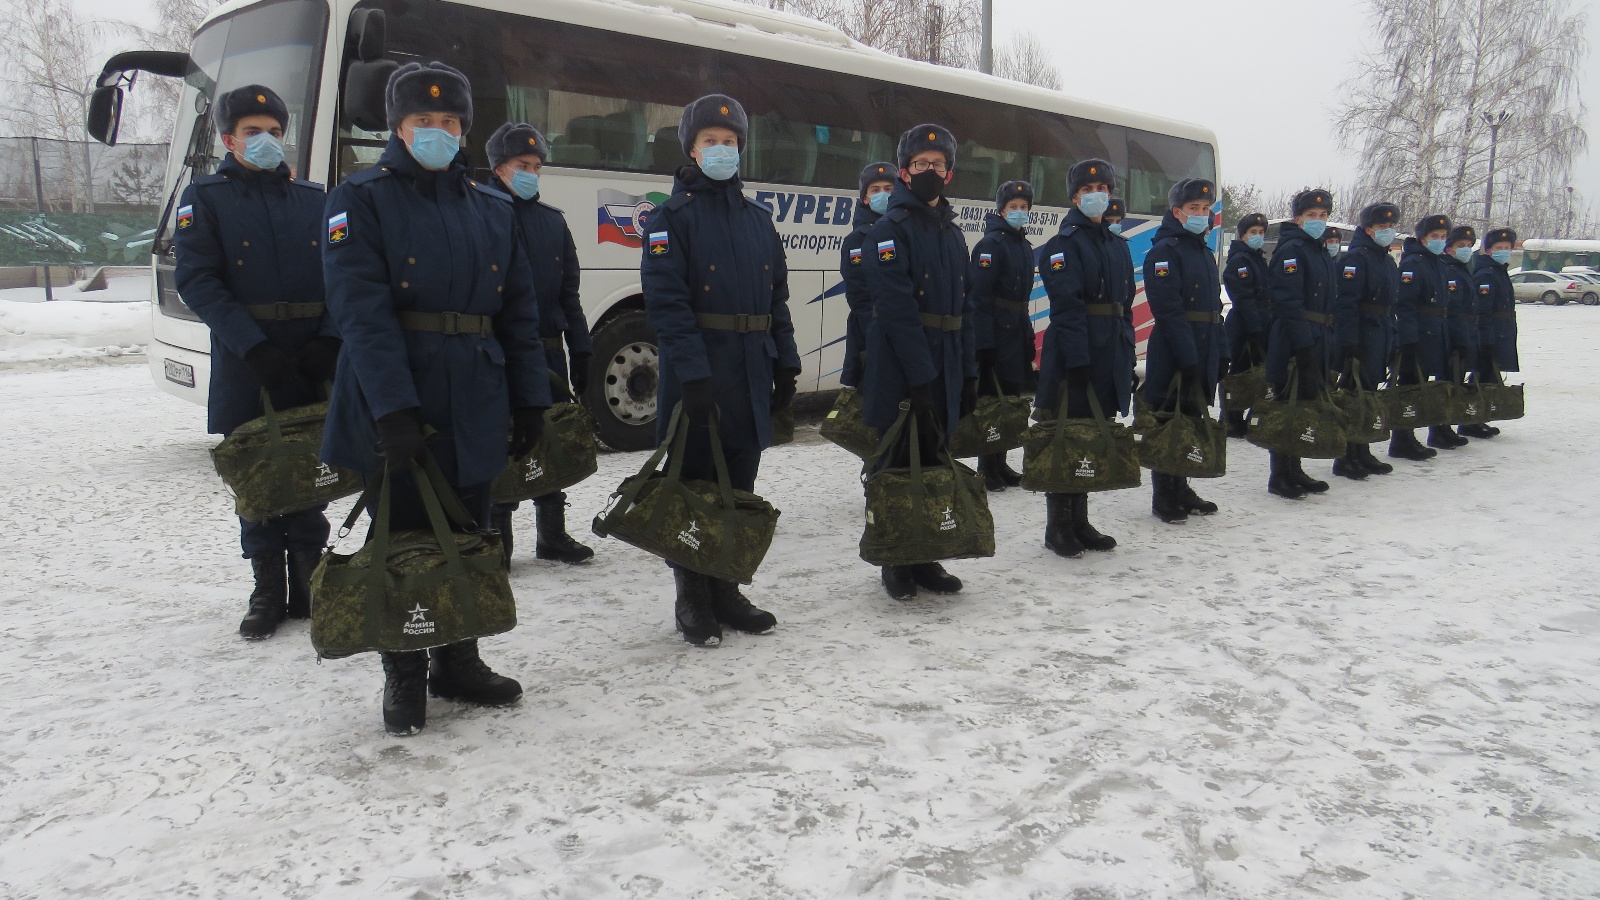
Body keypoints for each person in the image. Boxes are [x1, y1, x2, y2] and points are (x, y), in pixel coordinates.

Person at [321, 62, 551, 735]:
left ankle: (459, 659)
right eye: (424, 120)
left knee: (471, 529)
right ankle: (403, 670)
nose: (438, 132)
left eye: (450, 121)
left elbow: (519, 311)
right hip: (400, 392)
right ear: (398, 126)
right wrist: (392, 409)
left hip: (476, 390)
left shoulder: (493, 207)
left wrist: (530, 400)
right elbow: (361, 312)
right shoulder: (359, 199)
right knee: (402, 535)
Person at [174, 85, 339, 641]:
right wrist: (254, 348)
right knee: (260, 477)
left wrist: (330, 339)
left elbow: (346, 275)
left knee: (312, 467)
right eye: (252, 132)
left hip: (310, 358)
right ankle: (267, 586)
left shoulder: (315, 200)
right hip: (249, 361)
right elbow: (199, 281)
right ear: (229, 140)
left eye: (273, 131)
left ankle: (309, 578)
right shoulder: (206, 197)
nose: (265, 140)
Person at [640, 93, 800, 646]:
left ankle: (727, 586)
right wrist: (692, 374)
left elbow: (777, 298)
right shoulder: (670, 218)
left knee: (738, 484)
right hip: (701, 375)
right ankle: (691, 595)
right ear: (691, 148)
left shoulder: (759, 221)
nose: (722, 149)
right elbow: (667, 304)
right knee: (692, 486)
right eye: (711, 140)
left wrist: (787, 365)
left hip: (751, 370)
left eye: (730, 142)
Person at [862, 124, 975, 600]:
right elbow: (896, 308)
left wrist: (968, 373)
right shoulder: (890, 230)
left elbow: (966, 309)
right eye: (920, 163)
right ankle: (895, 561)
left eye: (938, 163)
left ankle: (925, 556)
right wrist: (921, 377)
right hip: (902, 368)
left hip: (946, 363)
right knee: (897, 464)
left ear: (949, 173)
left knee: (933, 461)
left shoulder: (953, 233)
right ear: (904, 172)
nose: (930, 170)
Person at [484, 122, 595, 564]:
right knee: (504, 442)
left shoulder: (552, 221)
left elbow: (569, 293)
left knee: (551, 438)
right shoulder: (483, 214)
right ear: (499, 168)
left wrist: (582, 349)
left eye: (536, 166)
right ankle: (498, 536)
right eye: (522, 165)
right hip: (501, 353)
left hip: (549, 352)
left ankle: (552, 534)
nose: (531, 173)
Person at [1034, 158, 1134, 555]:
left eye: (1103, 189)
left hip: (1110, 353)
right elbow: (1067, 306)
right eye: (1088, 190)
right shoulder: (1063, 245)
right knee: (1067, 434)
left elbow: (1125, 307)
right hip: (1075, 354)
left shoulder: (1117, 245)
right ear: (1075, 197)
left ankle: (1080, 520)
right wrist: (1076, 361)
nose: (1097, 195)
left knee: (1091, 434)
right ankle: (1058, 525)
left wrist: (1126, 355)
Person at [1143, 177, 1228, 521]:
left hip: (1205, 347)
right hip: (1176, 351)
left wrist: (1222, 349)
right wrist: (1188, 358)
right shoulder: (1165, 251)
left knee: (1192, 417)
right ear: (1177, 212)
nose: (1201, 214)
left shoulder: (1203, 251)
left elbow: (1215, 308)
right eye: (1194, 207)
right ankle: (1164, 494)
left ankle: (1182, 487)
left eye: (1206, 208)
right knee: (1170, 419)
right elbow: (1168, 309)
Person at [1265, 187, 1340, 499]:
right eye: (1312, 215)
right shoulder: (1292, 250)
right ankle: (1279, 474)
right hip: (1295, 339)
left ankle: (1294, 468)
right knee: (1288, 404)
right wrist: (1303, 345)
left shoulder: (1318, 250)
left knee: (1305, 404)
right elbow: (1288, 301)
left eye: (1323, 215)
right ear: (1298, 218)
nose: (1318, 220)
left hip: (1318, 336)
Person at [966, 179, 1037, 491]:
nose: (1019, 211)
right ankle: (986, 466)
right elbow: (979, 298)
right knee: (991, 402)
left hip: (1015, 332)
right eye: (1013, 207)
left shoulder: (1022, 245)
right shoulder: (991, 245)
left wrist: (1027, 335)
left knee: (1008, 399)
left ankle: (1000, 462)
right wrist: (983, 343)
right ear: (1001, 210)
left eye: (1023, 207)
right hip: (996, 333)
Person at [1331, 202, 1401, 479]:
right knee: (1353, 395)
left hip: (1380, 333)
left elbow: (1390, 304)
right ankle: (1346, 455)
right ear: (1368, 229)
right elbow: (1346, 304)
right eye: (1382, 226)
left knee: (1369, 394)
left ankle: (1362, 450)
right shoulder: (1356, 259)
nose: (1388, 231)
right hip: (1362, 334)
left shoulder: (1386, 260)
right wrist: (1349, 341)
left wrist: (1393, 338)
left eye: (1391, 226)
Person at [1393, 213, 1454, 457]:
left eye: (1443, 236)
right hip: (1418, 334)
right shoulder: (1414, 264)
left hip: (1434, 332)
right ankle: (1402, 438)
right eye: (1434, 236)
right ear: (1422, 238)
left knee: (1423, 385)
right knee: (1409, 387)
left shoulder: (1437, 262)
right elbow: (1405, 305)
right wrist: (1408, 339)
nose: (1439, 240)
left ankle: (1418, 433)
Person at [839, 162, 896, 391]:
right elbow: (858, 295)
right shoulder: (857, 239)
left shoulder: (904, 230)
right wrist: (879, 331)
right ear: (865, 198)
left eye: (889, 189)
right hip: (871, 335)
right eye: (875, 190)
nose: (883, 194)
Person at [1222, 212, 1271, 437]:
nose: (1258, 236)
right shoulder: (1240, 260)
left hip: (1261, 321)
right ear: (1242, 235)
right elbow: (1243, 297)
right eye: (1253, 232)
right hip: (1244, 324)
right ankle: (1231, 418)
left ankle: (1246, 416)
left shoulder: (1257, 258)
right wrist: (1254, 328)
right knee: (1239, 373)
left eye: (1261, 232)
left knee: (1256, 372)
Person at [1467, 227, 1518, 438]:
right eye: (1499, 247)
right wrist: (1486, 340)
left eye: (1507, 247)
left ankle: (1478, 418)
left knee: (1488, 378)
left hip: (1501, 333)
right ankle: (1470, 420)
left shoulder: (1499, 271)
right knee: (1481, 379)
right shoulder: (1486, 274)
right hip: (1491, 335)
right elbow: (1483, 311)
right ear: (1488, 250)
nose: (1504, 251)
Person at [1442, 224, 1481, 442]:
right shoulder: (1449, 270)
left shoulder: (1462, 269)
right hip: (1453, 333)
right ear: (1449, 248)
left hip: (1465, 330)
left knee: (1457, 379)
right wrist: (1459, 339)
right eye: (1460, 245)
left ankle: (1447, 425)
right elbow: (1454, 309)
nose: (1466, 249)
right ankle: (1441, 428)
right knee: (1448, 381)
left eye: (1469, 245)